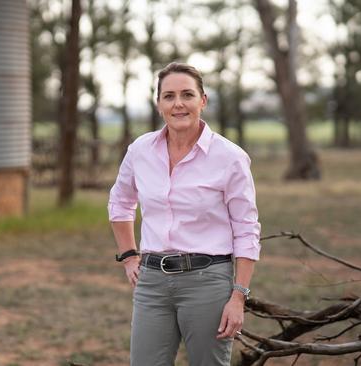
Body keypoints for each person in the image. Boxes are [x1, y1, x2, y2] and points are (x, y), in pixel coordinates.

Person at [108, 62, 261, 366]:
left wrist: (238, 296)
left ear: (202, 101)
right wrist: (128, 256)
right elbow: (120, 202)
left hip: (208, 282)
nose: (178, 103)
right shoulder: (140, 150)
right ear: (159, 104)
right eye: (169, 96)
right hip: (151, 283)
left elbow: (246, 229)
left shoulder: (229, 158)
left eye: (187, 94)